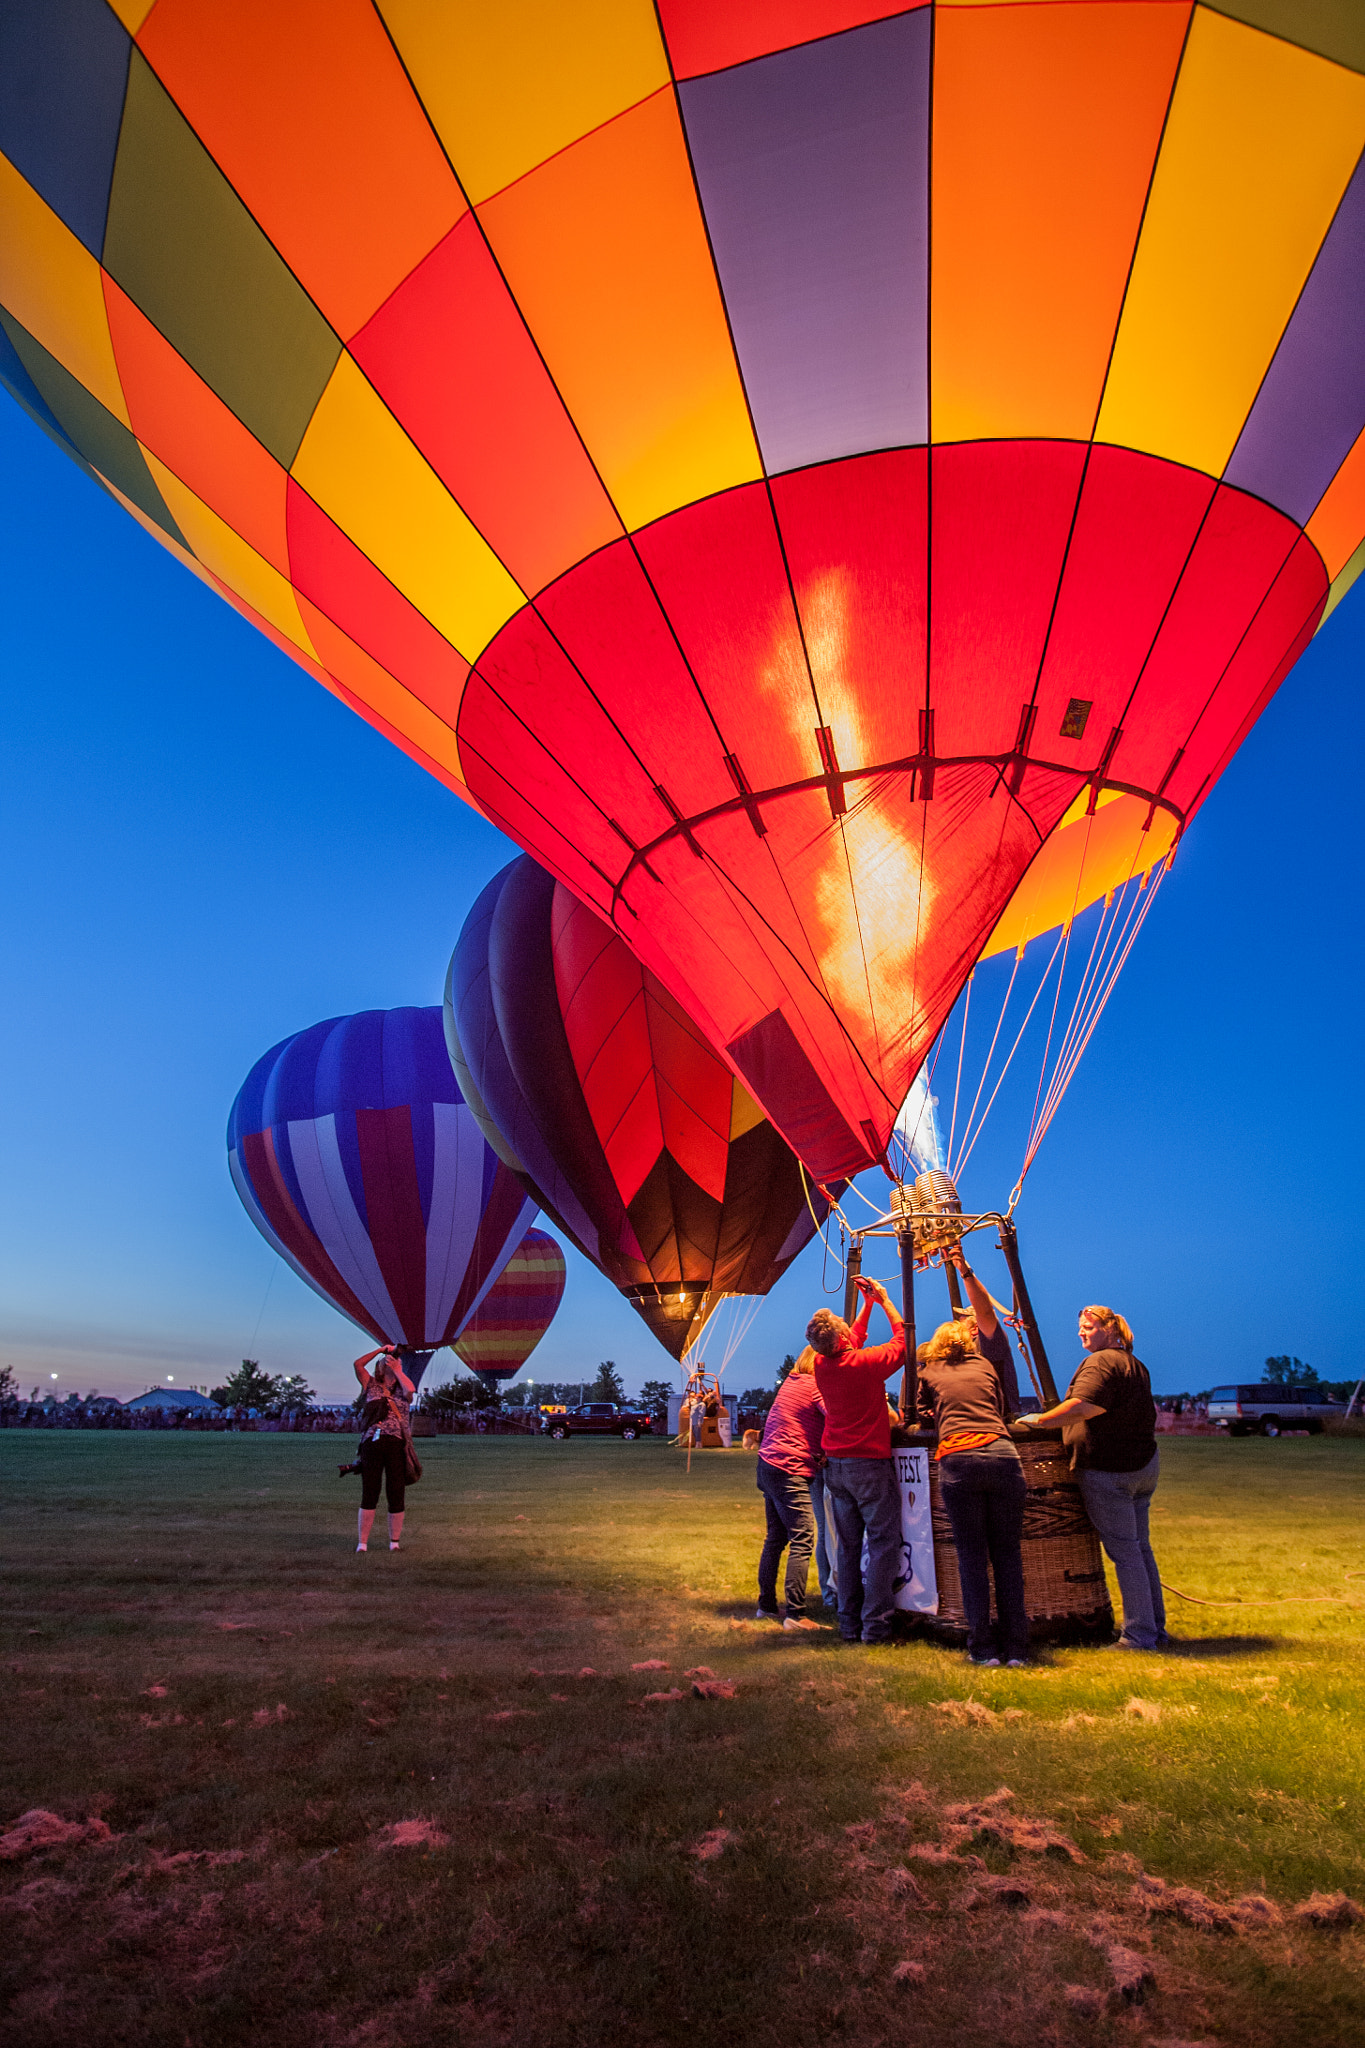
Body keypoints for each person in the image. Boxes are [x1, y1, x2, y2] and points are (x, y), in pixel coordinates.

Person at [1016, 1304, 1166, 1651]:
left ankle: (1139, 1636)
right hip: (1142, 1465)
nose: (1081, 1332)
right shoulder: (1134, 1363)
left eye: (1088, 1326)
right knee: (1140, 1550)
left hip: (1109, 1470)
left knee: (1126, 1553)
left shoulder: (1100, 1363)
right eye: (1079, 1327)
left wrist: (1038, 1420)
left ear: (1109, 1330)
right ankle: (1155, 1628)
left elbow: (1084, 1405)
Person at [915, 1248, 1029, 1666]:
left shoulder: (931, 1371)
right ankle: (1017, 1648)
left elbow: (922, 1413)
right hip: (1002, 1454)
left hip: (959, 1461)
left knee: (971, 1559)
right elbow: (997, 1404)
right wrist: (963, 1265)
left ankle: (982, 1649)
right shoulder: (986, 1364)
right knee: (1008, 1558)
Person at [808, 1275, 906, 1645]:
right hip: (869, 1465)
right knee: (883, 1545)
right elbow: (902, 1342)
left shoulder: (822, 1364)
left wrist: (865, 1306)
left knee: (848, 1548)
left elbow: (854, 1339)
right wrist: (884, 1301)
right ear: (844, 1339)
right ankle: (876, 1626)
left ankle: (848, 1624)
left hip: (836, 1465)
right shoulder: (864, 1364)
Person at [753, 1347, 825, 1632]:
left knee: (776, 1538)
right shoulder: (815, 1386)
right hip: (789, 1468)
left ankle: (767, 1606)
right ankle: (796, 1614)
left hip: (767, 1464)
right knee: (803, 1538)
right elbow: (836, 1415)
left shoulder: (791, 1382)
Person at [350, 1346, 416, 1553]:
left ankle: (394, 1542)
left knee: (396, 1490)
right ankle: (362, 1543)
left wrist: (397, 1369)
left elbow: (411, 1390)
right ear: (379, 1366)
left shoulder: (403, 1389)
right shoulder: (370, 1385)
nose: (390, 1361)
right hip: (372, 1443)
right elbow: (357, 1364)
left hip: (396, 1443)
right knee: (371, 1490)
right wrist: (381, 1350)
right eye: (385, 1361)